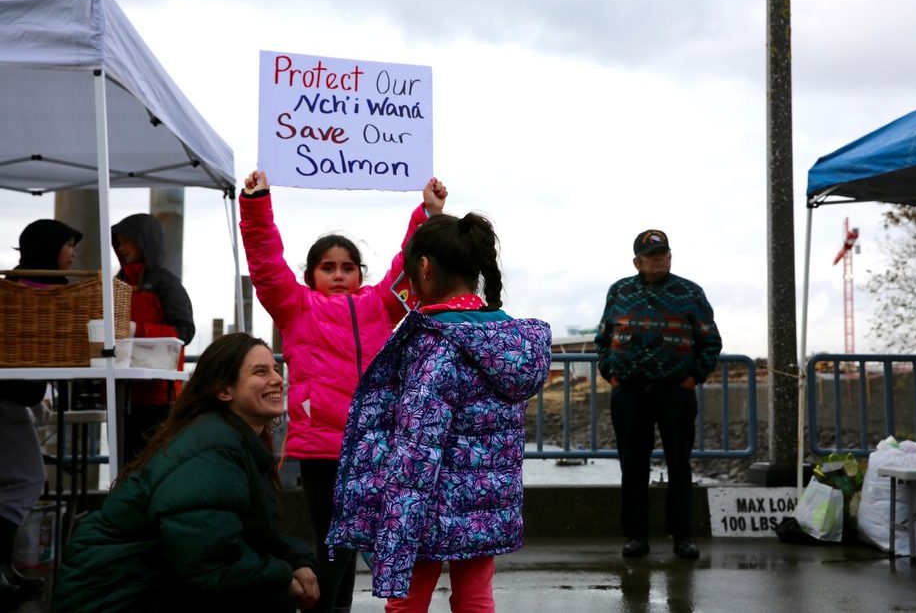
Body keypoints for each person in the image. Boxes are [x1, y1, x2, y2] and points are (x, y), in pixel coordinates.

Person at [239, 170, 448, 613]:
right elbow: (265, 263)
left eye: (347, 267)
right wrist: (256, 205)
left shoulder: (381, 305)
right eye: (327, 267)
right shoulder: (295, 305)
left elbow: (408, 264)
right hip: (321, 445)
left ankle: (337, 608)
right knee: (334, 536)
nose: (338, 275)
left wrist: (427, 214)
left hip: (371, 443)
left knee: (348, 539)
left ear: (360, 273)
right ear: (311, 273)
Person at [326, 212, 552, 611]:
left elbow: (418, 445)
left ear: (425, 268)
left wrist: (398, 524)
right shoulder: (505, 340)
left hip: (427, 508)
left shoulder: (434, 343)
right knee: (477, 598)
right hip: (487, 504)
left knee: (407, 601)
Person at [51, 332, 321, 613]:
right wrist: (284, 577)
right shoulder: (213, 447)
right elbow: (209, 556)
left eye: (276, 370)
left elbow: (252, 532)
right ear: (224, 390)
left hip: (140, 585)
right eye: (260, 372)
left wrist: (297, 559)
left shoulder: (229, 438)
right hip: (113, 597)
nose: (277, 379)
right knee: (268, 599)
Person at [594, 229, 722, 560]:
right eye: (652, 256)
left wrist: (694, 378)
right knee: (632, 466)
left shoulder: (689, 292)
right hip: (630, 392)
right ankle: (636, 536)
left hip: (675, 391)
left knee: (680, 464)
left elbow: (710, 341)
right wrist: (611, 373)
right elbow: (603, 338)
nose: (660, 259)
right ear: (637, 261)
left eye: (664, 254)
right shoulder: (619, 291)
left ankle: (683, 536)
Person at [0, 219, 82, 608]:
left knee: (16, 481)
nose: (73, 254)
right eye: (68, 245)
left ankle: (5, 568)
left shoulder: (10, 285)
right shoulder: (49, 294)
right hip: (9, 401)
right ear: (50, 248)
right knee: (28, 481)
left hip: (16, 400)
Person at [111, 213, 195, 464]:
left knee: (153, 461)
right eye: (120, 242)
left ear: (144, 241)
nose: (122, 248)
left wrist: (139, 330)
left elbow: (185, 331)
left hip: (159, 393)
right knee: (122, 459)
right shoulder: (118, 282)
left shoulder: (166, 284)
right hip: (120, 389)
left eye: (127, 241)